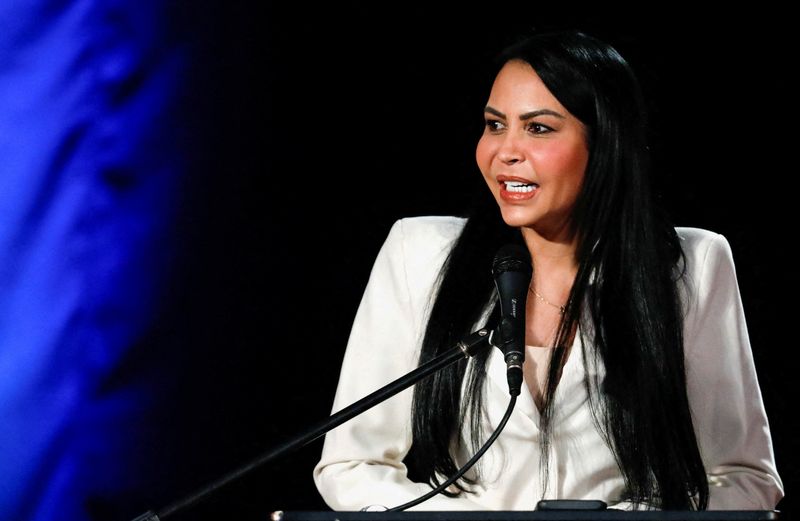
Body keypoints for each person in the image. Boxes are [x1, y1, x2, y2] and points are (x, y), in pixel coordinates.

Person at [312, 29, 784, 512]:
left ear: (604, 143)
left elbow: (744, 479)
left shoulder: (690, 266)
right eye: (495, 125)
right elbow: (352, 467)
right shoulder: (420, 253)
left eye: (538, 128)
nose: (505, 151)